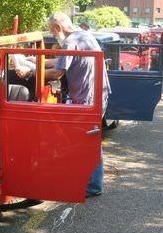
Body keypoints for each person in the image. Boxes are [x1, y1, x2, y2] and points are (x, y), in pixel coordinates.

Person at [16, 12, 111, 197]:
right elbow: (64, 59)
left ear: (58, 28)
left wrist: (30, 72)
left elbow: (57, 73)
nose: (53, 35)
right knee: (89, 138)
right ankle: (87, 181)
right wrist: (35, 61)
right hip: (97, 94)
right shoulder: (83, 35)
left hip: (87, 98)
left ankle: (91, 185)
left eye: (52, 31)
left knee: (85, 140)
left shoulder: (70, 41)